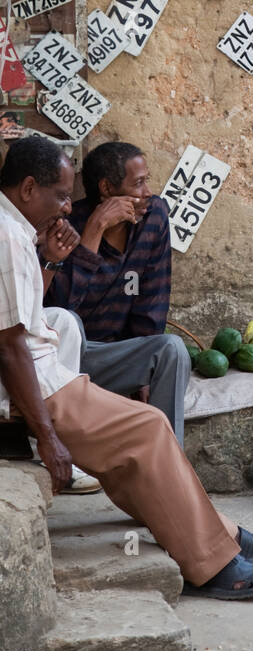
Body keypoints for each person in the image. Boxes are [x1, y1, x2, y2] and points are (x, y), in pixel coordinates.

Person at [0, 137, 253, 598]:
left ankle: (219, 539)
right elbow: (12, 347)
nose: (63, 208)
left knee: (146, 432)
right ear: (29, 188)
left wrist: (52, 259)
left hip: (52, 372)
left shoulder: (19, 232)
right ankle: (212, 565)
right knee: (150, 429)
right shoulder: (9, 235)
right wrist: (47, 437)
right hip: (43, 383)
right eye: (58, 196)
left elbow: (28, 314)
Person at [44, 142, 189, 445]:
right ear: (107, 189)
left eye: (147, 180)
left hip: (113, 359)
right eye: (138, 183)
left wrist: (145, 372)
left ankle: (170, 457)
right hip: (66, 362)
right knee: (68, 319)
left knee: (171, 349)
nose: (148, 191)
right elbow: (60, 307)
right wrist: (94, 232)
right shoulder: (68, 226)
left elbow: (154, 294)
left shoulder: (154, 215)